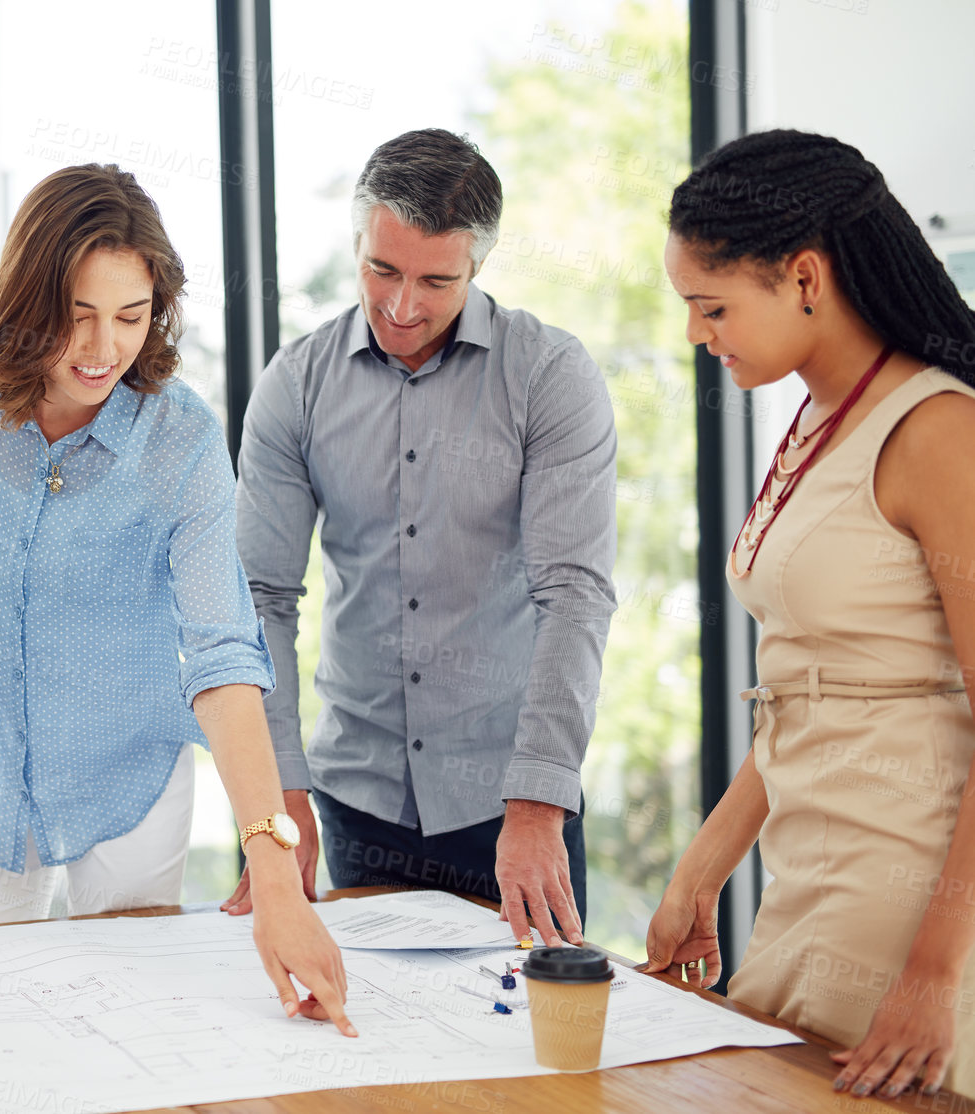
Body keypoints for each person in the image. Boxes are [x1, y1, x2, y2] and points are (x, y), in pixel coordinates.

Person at [0, 163, 354, 1034]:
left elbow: (225, 650)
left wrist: (273, 871)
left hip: (129, 786)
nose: (102, 348)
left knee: (127, 1027)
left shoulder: (183, 440)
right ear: (26, 297)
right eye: (77, 314)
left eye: (130, 317)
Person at [645, 129, 975, 1101]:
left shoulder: (938, 432)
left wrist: (934, 973)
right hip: (811, 869)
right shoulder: (816, 424)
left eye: (712, 306)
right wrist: (701, 869)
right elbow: (807, 682)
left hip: (907, 892)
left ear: (802, 278)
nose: (699, 334)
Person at [233, 128, 617, 946]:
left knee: (541, 1054)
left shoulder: (548, 376)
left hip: (513, 804)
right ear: (357, 239)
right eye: (382, 270)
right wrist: (277, 794)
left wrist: (540, 799)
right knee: (373, 1047)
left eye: (436, 280)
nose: (403, 305)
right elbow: (261, 596)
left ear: (478, 265)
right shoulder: (295, 385)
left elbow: (573, 595)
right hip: (356, 799)